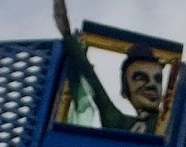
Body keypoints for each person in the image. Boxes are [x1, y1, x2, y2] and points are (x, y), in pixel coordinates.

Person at [54, 1, 167, 135]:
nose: (152, 85)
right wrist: (67, 34)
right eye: (141, 78)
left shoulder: (169, 122)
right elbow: (92, 82)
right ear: (125, 91)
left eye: (158, 79)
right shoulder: (118, 122)